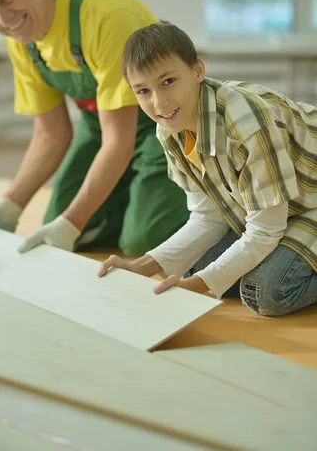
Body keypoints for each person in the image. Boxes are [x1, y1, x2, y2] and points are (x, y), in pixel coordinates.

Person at [0, 0, 189, 256]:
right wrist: (10, 205)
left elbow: (119, 141)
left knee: (141, 240)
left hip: (165, 126)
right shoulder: (23, 39)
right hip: (103, 129)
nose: (4, 19)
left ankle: (203, 205)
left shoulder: (105, 16)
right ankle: (130, 198)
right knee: (54, 223)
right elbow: (51, 135)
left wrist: (73, 222)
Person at [98, 23, 317, 316]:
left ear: (198, 70)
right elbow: (208, 218)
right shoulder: (169, 130)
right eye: (143, 91)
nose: (158, 103)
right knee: (195, 267)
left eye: (168, 81)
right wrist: (141, 267)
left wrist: (199, 286)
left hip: (309, 206)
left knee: (265, 292)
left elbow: (266, 229)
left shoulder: (247, 125)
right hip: (283, 210)